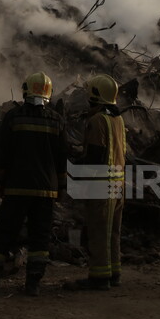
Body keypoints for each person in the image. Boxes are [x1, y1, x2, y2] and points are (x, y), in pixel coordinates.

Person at [0, 72, 66, 297]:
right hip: (46, 191)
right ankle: (33, 284)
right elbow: (62, 159)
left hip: (16, 188)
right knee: (40, 237)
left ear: (25, 90)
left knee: (4, 233)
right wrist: (61, 188)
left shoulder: (13, 118)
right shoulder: (57, 121)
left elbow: (3, 153)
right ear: (48, 94)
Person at [64, 74, 127, 291]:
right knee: (113, 232)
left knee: (99, 231)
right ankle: (114, 273)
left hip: (102, 185)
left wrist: (76, 173)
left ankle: (99, 277)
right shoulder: (117, 119)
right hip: (118, 184)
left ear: (95, 95)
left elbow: (95, 156)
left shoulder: (97, 120)